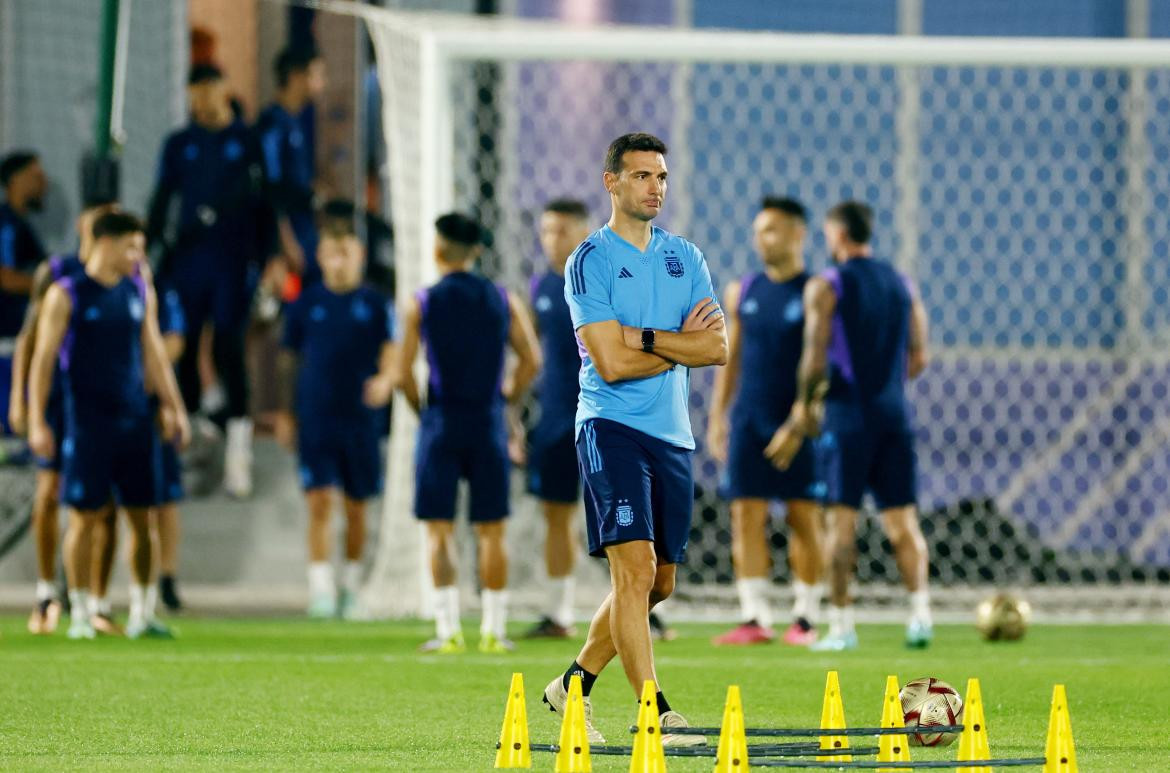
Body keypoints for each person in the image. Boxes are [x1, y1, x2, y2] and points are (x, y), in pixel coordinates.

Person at [541, 133, 727, 746]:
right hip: (609, 427)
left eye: (662, 177)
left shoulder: (686, 257)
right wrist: (678, 345)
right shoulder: (589, 260)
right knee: (636, 570)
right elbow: (609, 366)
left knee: (659, 583)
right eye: (643, 175)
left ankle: (573, 684)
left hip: (672, 435)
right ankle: (655, 711)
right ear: (611, 182)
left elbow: (717, 348)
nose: (656, 187)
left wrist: (643, 338)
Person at [765, 200, 932, 651]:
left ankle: (841, 626)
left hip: (847, 418)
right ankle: (920, 618)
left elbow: (814, 357)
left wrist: (805, 406)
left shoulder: (827, 284)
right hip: (894, 416)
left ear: (836, 234)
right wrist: (887, 390)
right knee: (903, 524)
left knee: (840, 527)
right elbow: (919, 355)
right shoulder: (902, 283)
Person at [27, 211, 190, 640]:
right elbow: (42, 359)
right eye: (131, 246)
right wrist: (35, 419)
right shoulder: (67, 294)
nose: (138, 255)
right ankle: (79, 612)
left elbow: (153, 352)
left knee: (143, 519)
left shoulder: (139, 290)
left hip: (135, 422)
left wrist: (175, 408)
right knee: (83, 519)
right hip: (87, 424)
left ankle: (142, 612)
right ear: (105, 242)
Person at [395, 213, 541, 654]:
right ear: (477, 250)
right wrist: (507, 397)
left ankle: (448, 630)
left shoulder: (422, 301)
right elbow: (531, 358)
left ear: (438, 250)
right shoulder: (502, 298)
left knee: (439, 529)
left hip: (441, 422)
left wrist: (423, 411)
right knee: (491, 530)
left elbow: (402, 373)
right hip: (486, 421)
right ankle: (494, 631)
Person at [147, 64, 269, 499]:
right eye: (193, 93)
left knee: (227, 347)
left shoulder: (247, 142)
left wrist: (267, 259)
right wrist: (150, 251)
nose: (201, 101)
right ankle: (192, 440)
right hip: (188, 262)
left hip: (233, 262)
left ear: (223, 89)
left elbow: (264, 204)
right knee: (185, 344)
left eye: (207, 91)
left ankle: (239, 452)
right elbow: (163, 199)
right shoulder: (179, 144)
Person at [708, 197, 824, 647]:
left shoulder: (816, 290)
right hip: (750, 419)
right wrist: (719, 416)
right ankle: (755, 616)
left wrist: (801, 419)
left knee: (802, 515)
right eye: (758, 231)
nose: (762, 240)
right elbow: (731, 355)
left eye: (772, 230)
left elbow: (827, 363)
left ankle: (806, 618)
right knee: (745, 514)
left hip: (797, 422)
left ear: (798, 234)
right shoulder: (743, 290)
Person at [276, 201, 396, 620]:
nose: (340, 262)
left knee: (357, 506)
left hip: (360, 420)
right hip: (317, 417)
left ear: (359, 256)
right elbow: (287, 361)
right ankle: (320, 590)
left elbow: (392, 351)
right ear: (321, 257)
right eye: (332, 253)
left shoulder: (376, 304)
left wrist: (385, 379)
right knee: (319, 502)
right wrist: (285, 413)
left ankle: (350, 586)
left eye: (347, 253)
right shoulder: (306, 304)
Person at [9, 202, 112, 634]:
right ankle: (47, 590)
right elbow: (30, 339)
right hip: (56, 402)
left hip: (99, 403)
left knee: (104, 504)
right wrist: (22, 402)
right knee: (49, 492)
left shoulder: (123, 276)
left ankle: (95, 600)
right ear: (82, 226)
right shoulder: (56, 272)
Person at [521, 198, 590, 639]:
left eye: (561, 231)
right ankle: (560, 611)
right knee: (556, 515)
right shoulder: (541, 286)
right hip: (554, 417)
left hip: (605, 415)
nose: (552, 240)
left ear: (584, 233)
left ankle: (649, 609)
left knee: (625, 517)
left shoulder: (606, 281)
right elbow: (529, 352)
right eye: (546, 231)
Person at [256, 46, 327, 288]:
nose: (321, 84)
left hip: (304, 227)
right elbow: (271, 187)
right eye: (317, 75)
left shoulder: (294, 121)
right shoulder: (273, 124)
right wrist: (284, 242)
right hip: (288, 234)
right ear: (297, 77)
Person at [1, 151, 48, 442]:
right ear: (15, 181)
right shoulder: (6, 224)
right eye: (35, 175)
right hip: (6, 341)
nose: (43, 183)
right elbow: (5, 277)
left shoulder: (21, 224)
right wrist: (52, 288)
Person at [154, 282, 188, 612]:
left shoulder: (159, 292)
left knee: (164, 498)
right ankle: (81, 587)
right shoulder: (76, 287)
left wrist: (170, 405)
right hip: (100, 408)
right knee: (98, 506)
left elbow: (174, 342)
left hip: (150, 406)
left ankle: (165, 579)